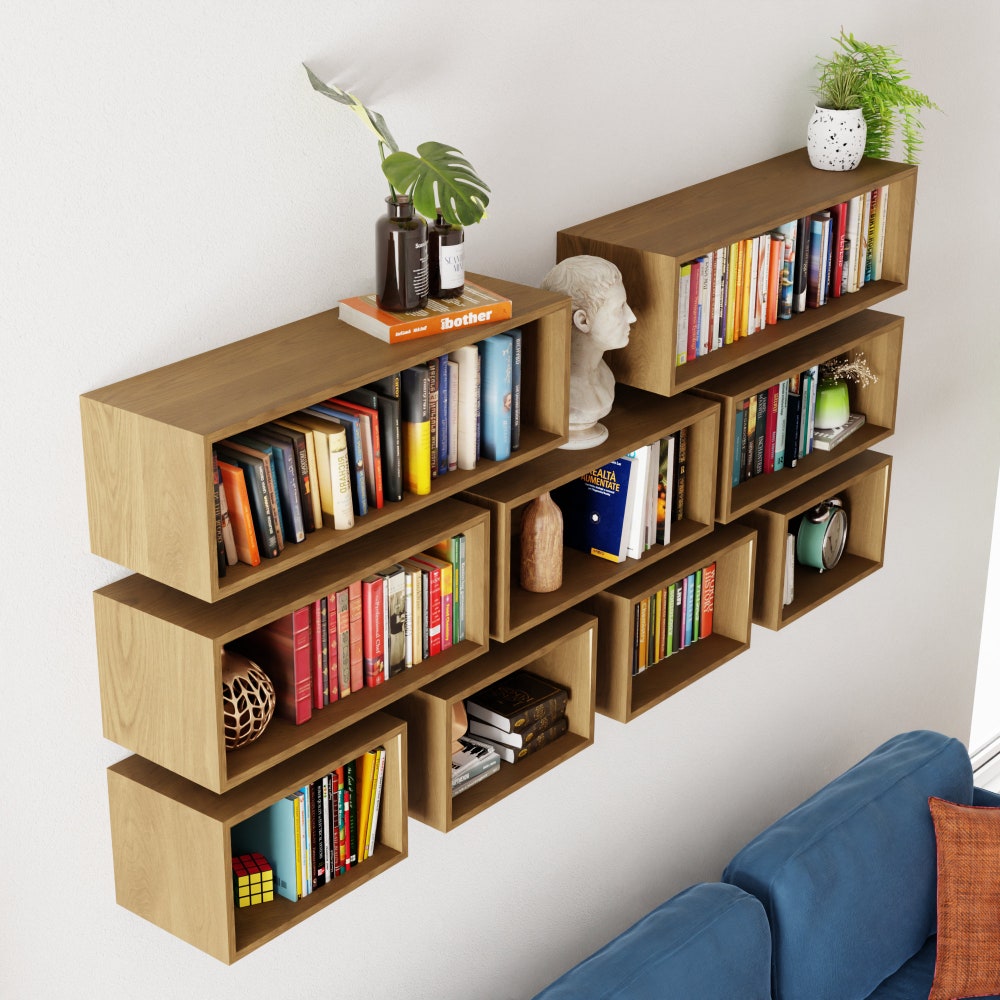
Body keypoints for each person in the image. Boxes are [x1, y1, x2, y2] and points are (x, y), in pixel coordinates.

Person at [541, 255, 636, 449]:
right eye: (620, 308)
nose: (632, 317)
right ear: (583, 321)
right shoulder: (552, 390)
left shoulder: (606, 377)